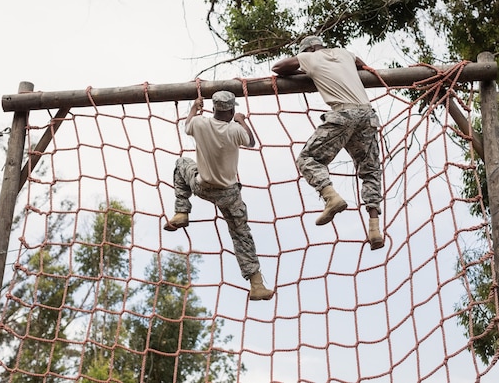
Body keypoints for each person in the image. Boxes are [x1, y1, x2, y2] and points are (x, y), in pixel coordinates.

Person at [271, 35, 384, 250]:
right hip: (368, 116)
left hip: (343, 115)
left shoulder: (310, 57)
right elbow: (361, 63)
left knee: (308, 158)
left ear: (308, 49)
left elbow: (278, 67)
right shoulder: (344, 52)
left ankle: (331, 197)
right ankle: (374, 229)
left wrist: (303, 65)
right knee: (370, 171)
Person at [164, 90, 274, 300]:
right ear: (232, 110)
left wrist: (195, 108)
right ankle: (257, 284)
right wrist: (242, 121)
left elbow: (187, 125)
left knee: (181, 164)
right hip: (229, 194)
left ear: (213, 108)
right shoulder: (235, 130)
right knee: (241, 234)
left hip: (202, 187)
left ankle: (181, 212)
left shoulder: (199, 123)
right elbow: (251, 142)